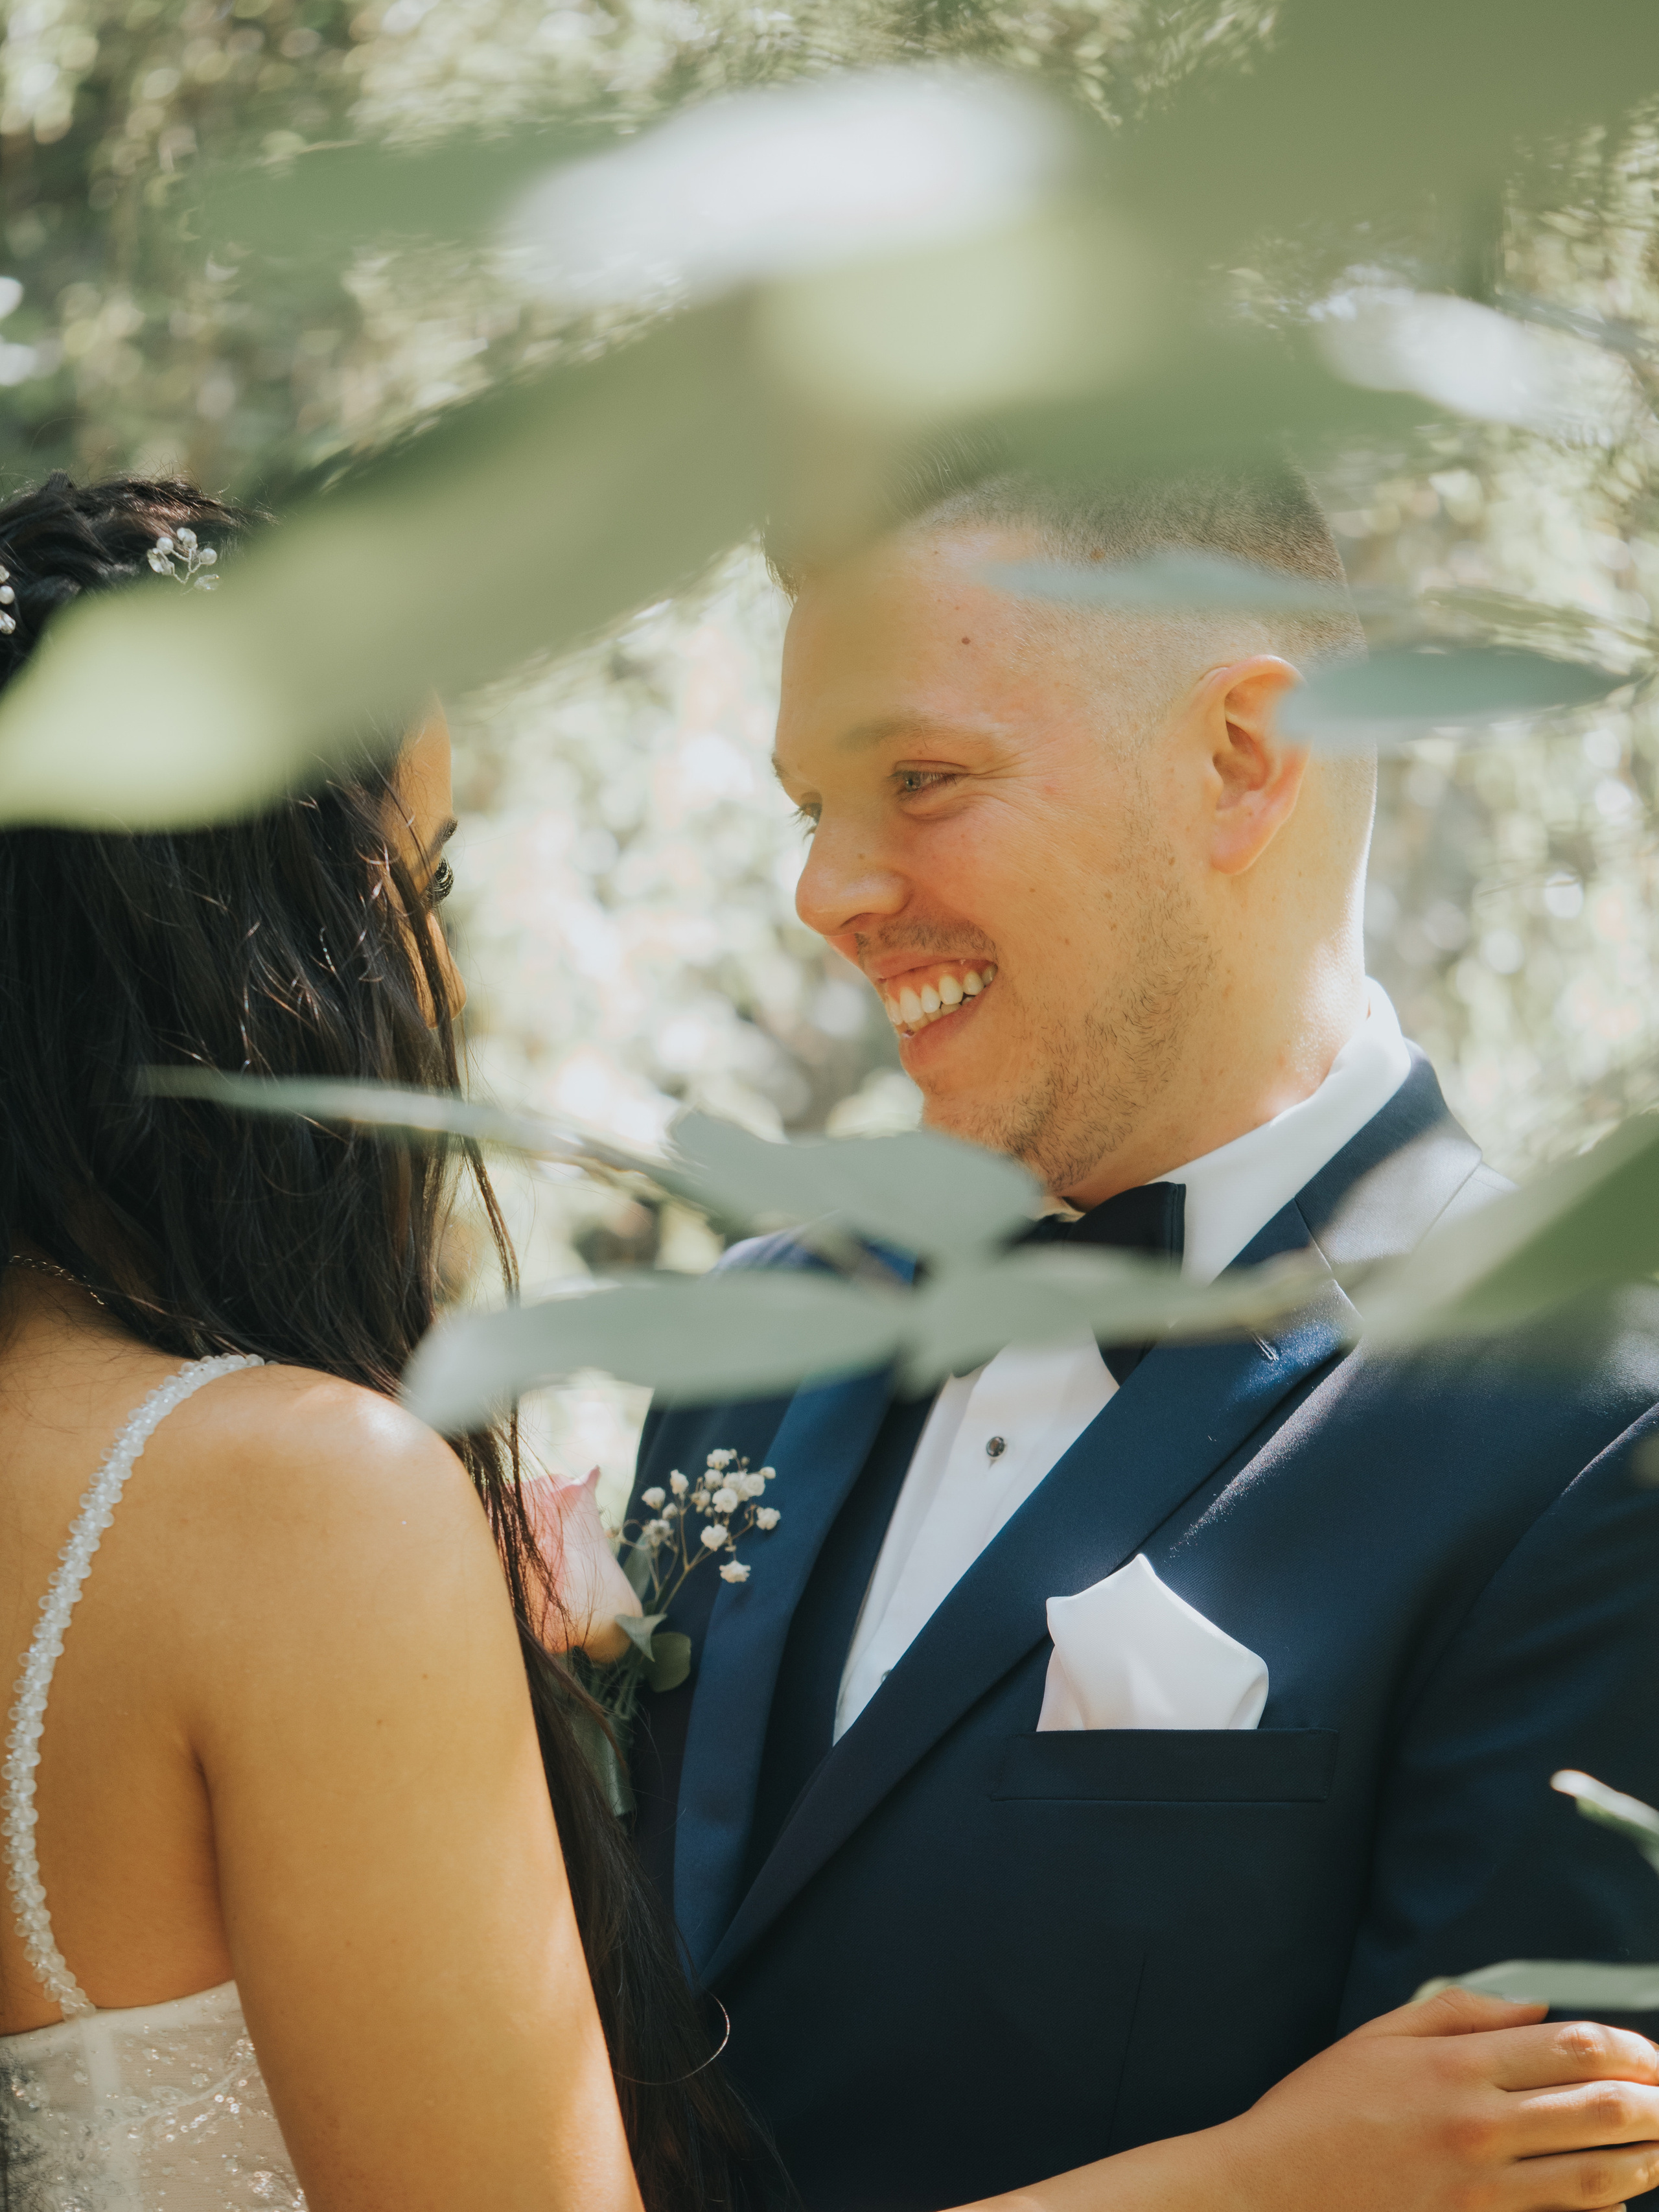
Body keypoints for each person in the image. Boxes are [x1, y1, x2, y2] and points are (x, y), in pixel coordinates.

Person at [623, 448, 1659, 2210]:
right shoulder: (751, 1339)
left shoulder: (1588, 1438)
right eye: (813, 803)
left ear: (1242, 758)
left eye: (921, 778)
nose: (828, 891)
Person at [0, 472, 770, 2211]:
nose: (442, 981)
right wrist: (1248, 2182)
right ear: (253, 946)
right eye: (413, 881)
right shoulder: (288, 1502)